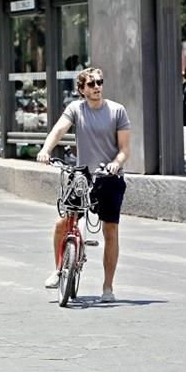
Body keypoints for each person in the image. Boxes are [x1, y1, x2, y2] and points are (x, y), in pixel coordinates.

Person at [37, 67, 131, 302]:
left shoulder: (117, 111)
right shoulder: (76, 109)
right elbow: (58, 130)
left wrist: (116, 163)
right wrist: (46, 150)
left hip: (109, 177)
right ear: (81, 89)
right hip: (83, 176)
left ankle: (108, 288)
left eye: (100, 82)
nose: (97, 87)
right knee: (63, 223)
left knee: (110, 230)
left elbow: (124, 149)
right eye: (91, 84)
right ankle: (59, 270)